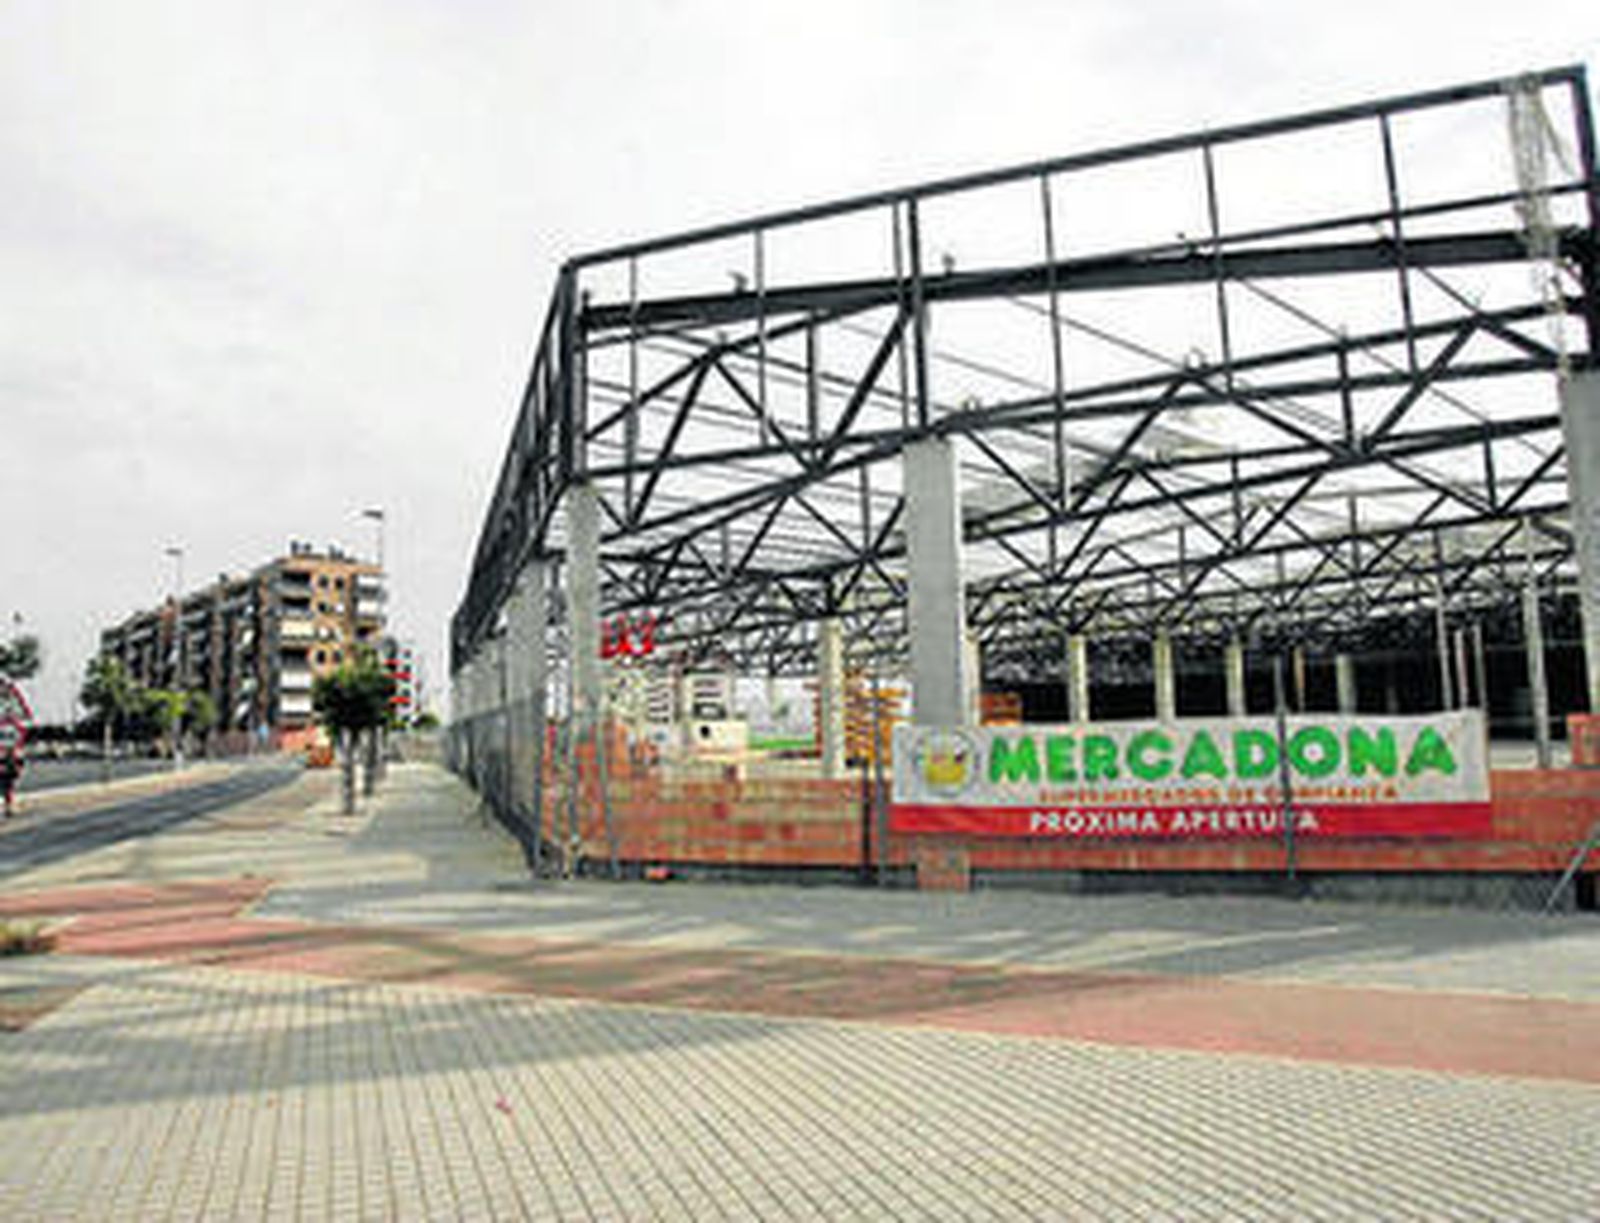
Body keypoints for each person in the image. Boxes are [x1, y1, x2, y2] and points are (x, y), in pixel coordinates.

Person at [0, 744, 21, 818]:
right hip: (5, 776)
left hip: (8, 776)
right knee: (7, 793)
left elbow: (18, 765)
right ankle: (8, 809)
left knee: (7, 793)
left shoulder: (12, 757)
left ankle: (8, 809)